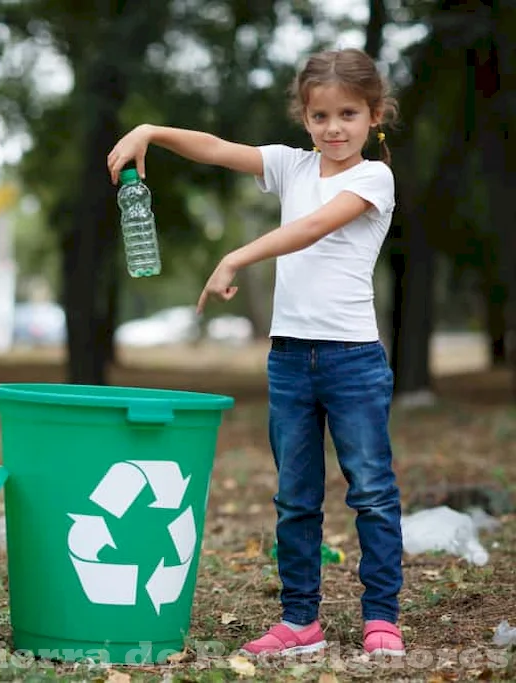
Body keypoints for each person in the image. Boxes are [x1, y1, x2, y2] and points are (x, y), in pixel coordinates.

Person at [106, 48, 405, 659]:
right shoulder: (292, 167)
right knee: (296, 497)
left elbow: (315, 227)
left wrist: (238, 255)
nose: (334, 128)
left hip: (352, 361)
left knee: (370, 490)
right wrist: (150, 132)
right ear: (305, 117)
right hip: (291, 359)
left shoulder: (373, 178)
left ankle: (382, 618)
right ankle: (300, 622)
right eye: (320, 116)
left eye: (349, 114)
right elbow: (215, 147)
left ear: (374, 115)